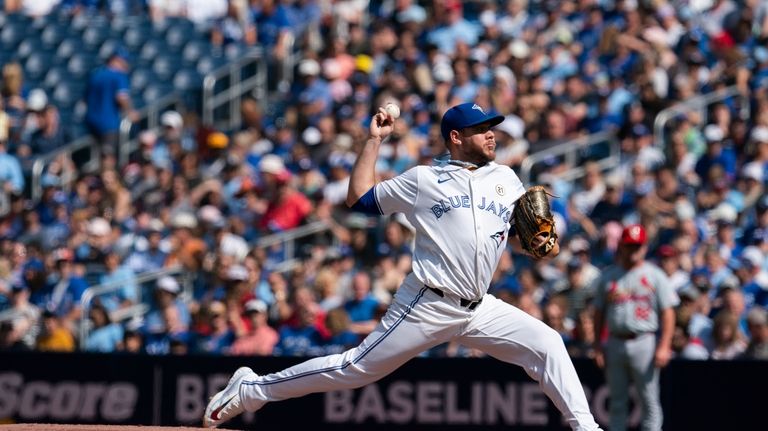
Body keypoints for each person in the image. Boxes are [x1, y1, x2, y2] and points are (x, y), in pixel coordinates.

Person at [203, 102, 601, 430]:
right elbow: (359, 199)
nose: (491, 134)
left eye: (492, 126)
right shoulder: (424, 179)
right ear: (456, 138)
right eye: (481, 129)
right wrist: (373, 142)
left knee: (548, 343)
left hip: (479, 307)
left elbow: (518, 233)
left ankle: (586, 427)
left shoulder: (507, 178)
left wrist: (538, 240)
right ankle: (252, 389)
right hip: (428, 302)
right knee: (356, 368)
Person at [592, 224, 678, 431]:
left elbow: (668, 312)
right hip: (615, 340)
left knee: (649, 399)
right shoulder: (609, 276)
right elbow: (598, 312)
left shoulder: (655, 275)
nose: (634, 251)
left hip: (644, 340)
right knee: (617, 401)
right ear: (621, 246)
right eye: (630, 246)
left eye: (637, 246)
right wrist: (597, 345)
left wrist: (664, 344)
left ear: (645, 248)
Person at [84, 46, 136, 157]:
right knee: (108, 156)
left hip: (91, 121)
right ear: (117, 60)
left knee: (95, 156)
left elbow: (85, 98)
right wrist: (130, 112)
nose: (125, 66)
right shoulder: (118, 76)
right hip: (108, 123)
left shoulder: (95, 74)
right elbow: (121, 97)